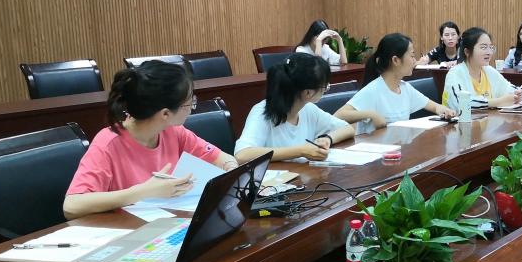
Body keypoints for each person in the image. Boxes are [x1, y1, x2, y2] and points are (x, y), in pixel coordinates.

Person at [63, 60, 238, 220]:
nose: (192, 108)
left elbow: (222, 159)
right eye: (189, 103)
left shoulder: (174, 132)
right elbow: (72, 206)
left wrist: (231, 170)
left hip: (166, 224)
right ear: (165, 113)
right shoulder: (108, 143)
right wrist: (143, 192)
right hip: (127, 232)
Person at [234, 53, 354, 164]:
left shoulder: (308, 109)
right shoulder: (262, 111)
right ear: (308, 93)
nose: (326, 89)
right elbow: (242, 155)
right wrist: (300, 151)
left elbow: (348, 129)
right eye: (325, 86)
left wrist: (328, 139)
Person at [337, 33, 455, 133]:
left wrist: (444, 110)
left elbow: (435, 106)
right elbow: (338, 116)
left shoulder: (405, 88)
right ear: (395, 60)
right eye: (412, 55)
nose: (414, 61)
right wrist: (371, 114)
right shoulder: (374, 89)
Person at [444, 27, 522, 110]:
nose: (489, 52)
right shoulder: (455, 74)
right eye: (483, 47)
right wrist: (498, 102)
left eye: (491, 47)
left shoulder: (489, 71)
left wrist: (517, 93)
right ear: (467, 52)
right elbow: (462, 103)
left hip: (488, 117)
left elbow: (507, 87)